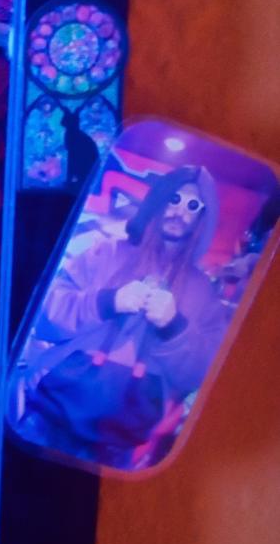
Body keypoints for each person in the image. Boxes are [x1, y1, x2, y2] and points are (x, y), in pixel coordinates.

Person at [12, 165, 229, 469]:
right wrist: (107, 302)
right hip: (48, 418)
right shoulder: (105, 252)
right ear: (159, 200)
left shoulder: (203, 292)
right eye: (174, 199)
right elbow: (44, 317)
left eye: (193, 205)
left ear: (202, 217)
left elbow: (201, 375)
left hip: (118, 445)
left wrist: (173, 328)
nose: (180, 211)